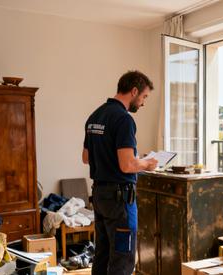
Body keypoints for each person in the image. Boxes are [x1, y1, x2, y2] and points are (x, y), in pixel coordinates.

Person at [82, 71, 158, 275]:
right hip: (120, 200)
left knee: (103, 253)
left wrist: (131, 159)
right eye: (144, 97)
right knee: (122, 259)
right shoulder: (124, 119)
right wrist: (147, 163)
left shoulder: (95, 116)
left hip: (100, 196)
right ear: (134, 91)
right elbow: (127, 165)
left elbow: (86, 157)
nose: (143, 103)